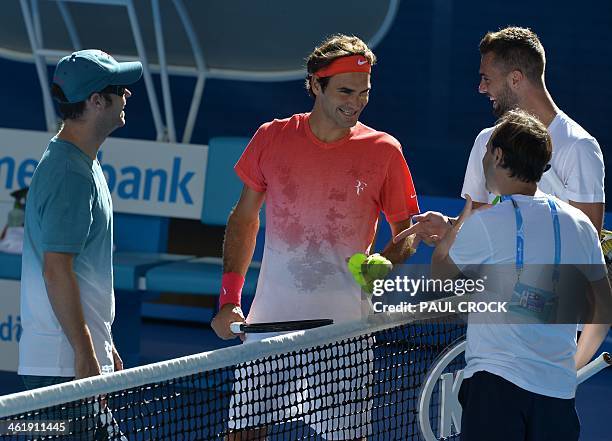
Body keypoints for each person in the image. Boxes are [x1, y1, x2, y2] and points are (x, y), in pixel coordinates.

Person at [211, 34, 419, 440]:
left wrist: (387, 262)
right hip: (270, 322)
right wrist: (228, 301)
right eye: (345, 90)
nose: (356, 102)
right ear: (314, 85)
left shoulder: (385, 151)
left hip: (344, 330)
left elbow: (407, 231)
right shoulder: (271, 137)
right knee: (243, 436)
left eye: (364, 92)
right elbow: (243, 220)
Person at [429, 109, 610, 441]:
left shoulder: (485, 223)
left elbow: (440, 275)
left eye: (487, 151)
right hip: (558, 393)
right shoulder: (580, 224)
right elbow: (604, 308)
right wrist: (572, 367)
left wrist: (459, 223)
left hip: (494, 389)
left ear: (497, 155)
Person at [396, 26, 605, 249]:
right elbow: (478, 227)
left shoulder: (579, 147)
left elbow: (587, 246)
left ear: (515, 79)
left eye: (487, 78)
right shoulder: (485, 142)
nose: (481, 88)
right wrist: (449, 226)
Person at [19, 50, 142, 389]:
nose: (126, 94)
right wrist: (85, 354)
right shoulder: (70, 173)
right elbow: (56, 269)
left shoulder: (79, 162)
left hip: (70, 360)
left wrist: (101, 344)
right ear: (96, 101)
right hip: (64, 366)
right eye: (119, 87)